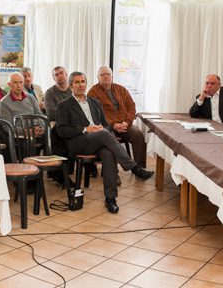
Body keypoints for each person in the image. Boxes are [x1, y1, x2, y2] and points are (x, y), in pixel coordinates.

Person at [55, 72, 153, 214]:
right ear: (71, 86)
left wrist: (102, 128)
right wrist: (85, 129)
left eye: (83, 81)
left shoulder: (95, 103)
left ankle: (111, 198)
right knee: (103, 135)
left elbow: (106, 126)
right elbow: (61, 130)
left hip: (98, 141)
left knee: (108, 153)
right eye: (77, 82)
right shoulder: (64, 105)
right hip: (77, 143)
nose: (81, 84)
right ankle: (133, 167)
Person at [87, 66, 147, 168]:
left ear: (112, 76)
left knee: (138, 135)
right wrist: (113, 125)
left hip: (124, 124)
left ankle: (139, 167)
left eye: (108, 74)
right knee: (110, 139)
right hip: (106, 126)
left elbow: (131, 106)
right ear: (98, 77)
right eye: (102, 74)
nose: (106, 76)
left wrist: (127, 122)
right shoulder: (93, 92)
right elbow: (95, 114)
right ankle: (114, 174)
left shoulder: (121, 89)